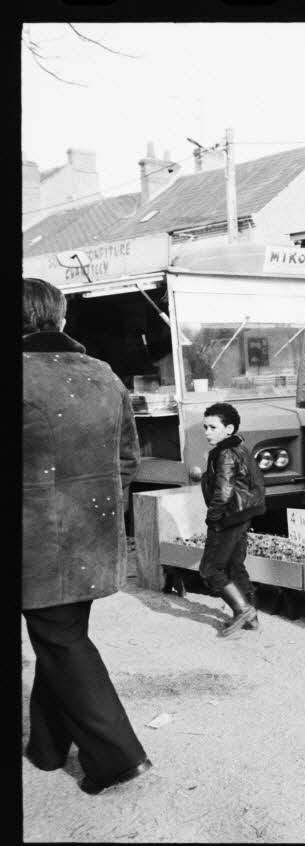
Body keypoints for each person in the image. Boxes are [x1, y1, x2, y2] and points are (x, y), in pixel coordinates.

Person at [22, 277, 153, 794]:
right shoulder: (103, 373)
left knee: (61, 641)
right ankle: (48, 748)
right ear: (60, 318)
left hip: (35, 543)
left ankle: (118, 757)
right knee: (61, 636)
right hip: (91, 539)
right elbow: (128, 458)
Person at [198, 402, 267, 636]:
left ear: (229, 429)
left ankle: (243, 609)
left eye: (212, 427)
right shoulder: (239, 448)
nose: (207, 432)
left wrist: (213, 517)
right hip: (242, 514)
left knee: (210, 569)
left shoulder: (225, 453)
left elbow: (224, 491)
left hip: (228, 516)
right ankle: (251, 618)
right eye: (205, 427)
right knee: (234, 566)